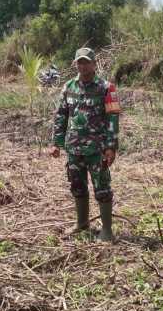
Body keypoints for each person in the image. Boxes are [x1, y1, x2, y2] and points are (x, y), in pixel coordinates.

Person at [50, 47, 120, 242]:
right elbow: (61, 116)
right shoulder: (68, 87)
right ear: (76, 64)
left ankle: (107, 230)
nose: (82, 65)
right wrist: (57, 142)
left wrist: (111, 146)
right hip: (74, 148)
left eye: (86, 62)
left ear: (93, 63)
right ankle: (82, 224)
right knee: (77, 186)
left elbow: (113, 118)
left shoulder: (106, 87)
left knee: (102, 188)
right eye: (79, 62)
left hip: (97, 150)